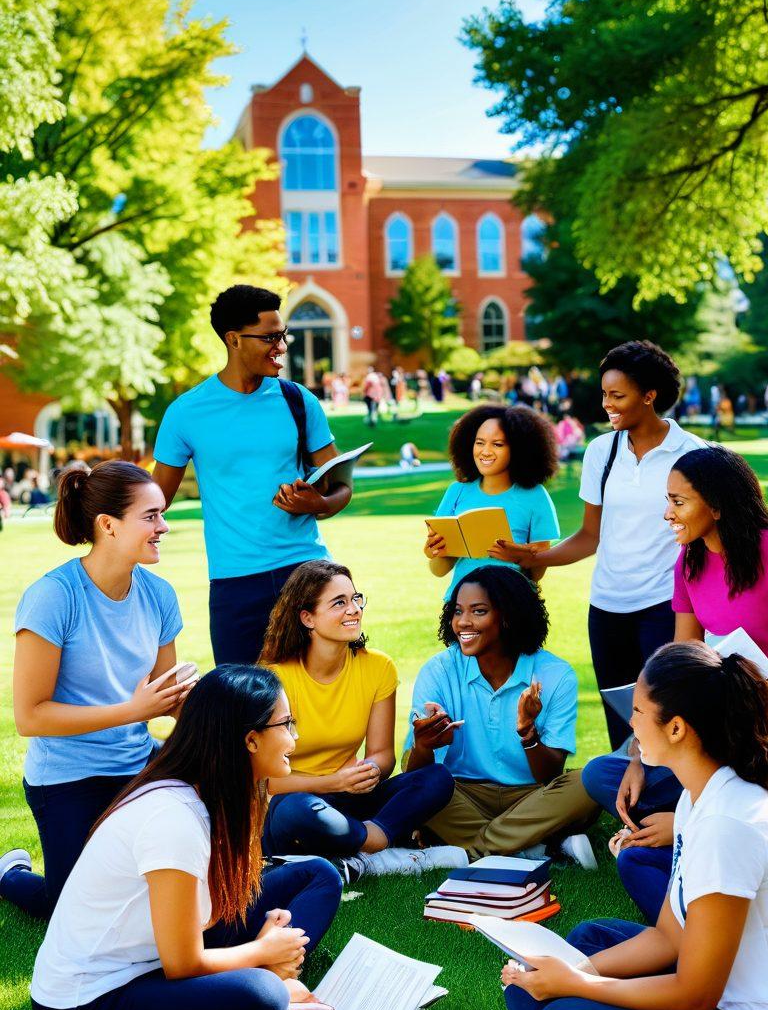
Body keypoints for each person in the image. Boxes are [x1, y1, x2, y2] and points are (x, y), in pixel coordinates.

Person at [504, 642, 768, 1010]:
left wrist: (578, 984)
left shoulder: (730, 821)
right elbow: (668, 936)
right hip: (725, 998)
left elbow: (694, 994)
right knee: (579, 948)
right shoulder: (697, 799)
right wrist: (576, 969)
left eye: (637, 712)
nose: (630, 725)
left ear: (677, 728)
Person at [28, 665, 342, 1010]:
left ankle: (249, 1003)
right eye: (286, 724)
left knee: (317, 876)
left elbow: (209, 914)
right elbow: (182, 963)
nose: (294, 738)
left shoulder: (215, 796)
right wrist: (262, 955)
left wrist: (262, 940)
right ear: (250, 740)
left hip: (150, 961)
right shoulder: (173, 818)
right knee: (265, 999)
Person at [585, 446, 768, 920]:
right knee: (603, 774)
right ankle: (689, 826)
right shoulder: (689, 564)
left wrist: (752, 701)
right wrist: (639, 750)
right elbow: (681, 659)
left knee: (735, 769)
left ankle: (683, 825)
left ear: (716, 505)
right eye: (668, 500)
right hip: (721, 714)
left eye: (679, 502)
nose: (667, 513)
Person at [0, 462, 194, 920]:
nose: (163, 527)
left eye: (161, 515)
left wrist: (202, 707)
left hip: (137, 761)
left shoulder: (159, 594)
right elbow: (31, 716)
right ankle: (9, 875)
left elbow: (166, 700)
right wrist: (132, 710)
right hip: (67, 777)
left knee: (164, 889)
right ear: (107, 526)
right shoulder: (54, 597)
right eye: (150, 517)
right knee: (77, 911)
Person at [490, 340, 705, 749]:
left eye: (618, 395)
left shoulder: (694, 454)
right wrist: (534, 556)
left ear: (649, 395)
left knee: (668, 710)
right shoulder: (601, 452)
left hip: (666, 605)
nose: (607, 404)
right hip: (607, 607)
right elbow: (591, 535)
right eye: (604, 394)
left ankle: (674, 804)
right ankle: (625, 802)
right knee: (622, 718)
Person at [152, 284, 352, 667]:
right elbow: (156, 499)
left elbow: (342, 484)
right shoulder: (186, 412)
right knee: (241, 703)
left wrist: (319, 503)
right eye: (270, 337)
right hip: (235, 581)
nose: (281, 346)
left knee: (318, 694)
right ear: (233, 340)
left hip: (306, 570)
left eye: (283, 335)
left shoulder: (299, 401)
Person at [258, 561, 461, 879]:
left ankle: (360, 848)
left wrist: (367, 772)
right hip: (297, 805)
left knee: (436, 778)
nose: (353, 610)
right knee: (293, 810)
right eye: (339, 602)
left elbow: (383, 755)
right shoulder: (275, 679)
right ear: (307, 617)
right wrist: (332, 782)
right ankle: (377, 850)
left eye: (356, 599)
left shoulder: (378, 667)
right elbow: (261, 781)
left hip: (350, 801)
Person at [404, 567, 598, 866]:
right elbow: (415, 777)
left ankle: (475, 851)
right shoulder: (439, 670)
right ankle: (538, 848)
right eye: (457, 611)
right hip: (461, 795)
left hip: (532, 797)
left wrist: (527, 732)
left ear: (508, 616)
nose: (462, 623)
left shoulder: (556, 675)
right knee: (419, 778)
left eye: (478, 611)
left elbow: (549, 776)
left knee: (591, 780)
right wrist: (423, 746)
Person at [425, 403, 560, 598]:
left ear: (518, 449)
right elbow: (439, 570)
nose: (485, 452)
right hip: (462, 606)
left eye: (497, 444)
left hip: (511, 606)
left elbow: (537, 574)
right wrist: (435, 552)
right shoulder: (457, 492)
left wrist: (520, 554)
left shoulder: (535, 496)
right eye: (479, 442)